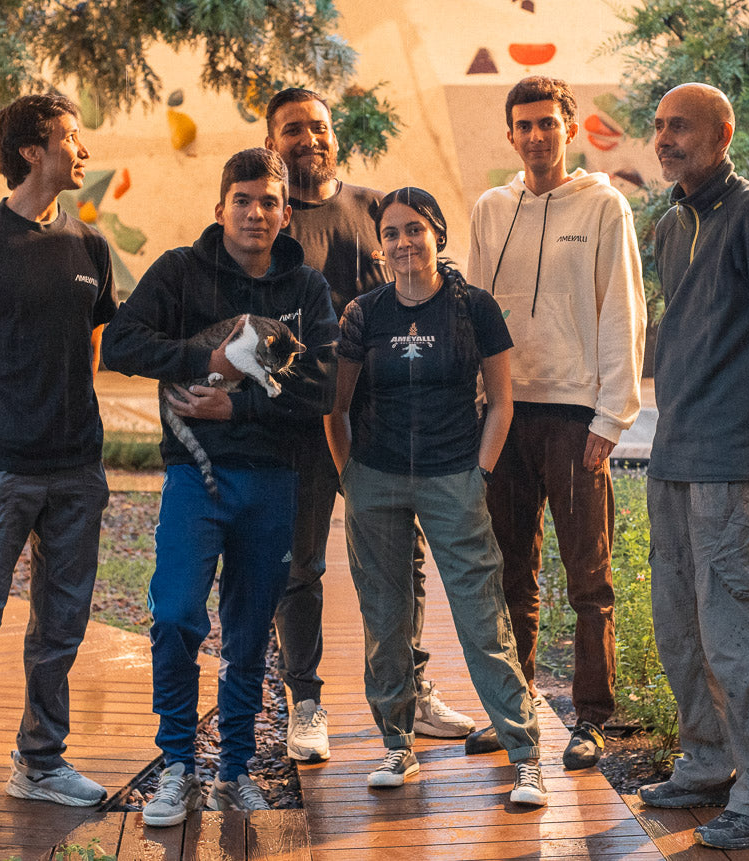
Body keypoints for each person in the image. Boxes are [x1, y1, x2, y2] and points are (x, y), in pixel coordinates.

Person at [100, 148, 337, 827]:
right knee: (176, 613)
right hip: (194, 476)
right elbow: (119, 343)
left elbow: (322, 386)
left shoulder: (306, 288)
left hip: (273, 479)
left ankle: (233, 770)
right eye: (243, 200)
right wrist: (203, 358)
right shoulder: (180, 271)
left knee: (249, 633)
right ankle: (177, 765)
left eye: (269, 202)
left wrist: (239, 405)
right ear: (221, 207)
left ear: (286, 214)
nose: (256, 212)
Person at [264, 87, 474, 763]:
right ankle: (305, 702)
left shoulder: (375, 209)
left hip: (382, 421)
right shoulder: (270, 219)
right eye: (293, 129)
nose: (310, 138)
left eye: (319, 126)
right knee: (300, 563)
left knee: (401, 559)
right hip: (299, 422)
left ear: (334, 134)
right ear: (272, 142)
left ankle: (412, 689)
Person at [0, 93, 116, 832]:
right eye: (71, 136)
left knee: (61, 627)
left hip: (77, 470)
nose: (83, 148)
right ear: (33, 151)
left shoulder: (89, 245)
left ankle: (40, 762)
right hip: (1, 469)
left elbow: (89, 349)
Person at [636, 82, 749, 851]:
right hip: (671, 456)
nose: (665, 137)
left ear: (722, 133)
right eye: (659, 126)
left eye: (680, 125)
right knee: (680, 627)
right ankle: (708, 763)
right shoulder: (672, 225)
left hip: (726, 461)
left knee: (740, 629)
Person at [324, 186, 546, 805]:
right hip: (375, 478)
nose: (403, 243)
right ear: (380, 245)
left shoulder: (474, 308)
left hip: (454, 478)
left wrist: (480, 473)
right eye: (391, 233)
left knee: (482, 617)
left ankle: (525, 754)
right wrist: (350, 476)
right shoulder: (364, 314)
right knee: (385, 618)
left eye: (415, 229)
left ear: (438, 234)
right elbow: (336, 407)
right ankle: (397, 746)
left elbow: (501, 402)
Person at [466, 75, 647, 770]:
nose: (537, 135)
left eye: (548, 122)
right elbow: (476, 311)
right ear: (510, 135)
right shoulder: (491, 209)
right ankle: (514, 712)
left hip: (576, 418)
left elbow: (623, 311)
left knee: (588, 579)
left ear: (568, 128)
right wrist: (474, 404)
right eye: (525, 124)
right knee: (510, 573)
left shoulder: (603, 206)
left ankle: (591, 718)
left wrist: (612, 415)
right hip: (505, 414)